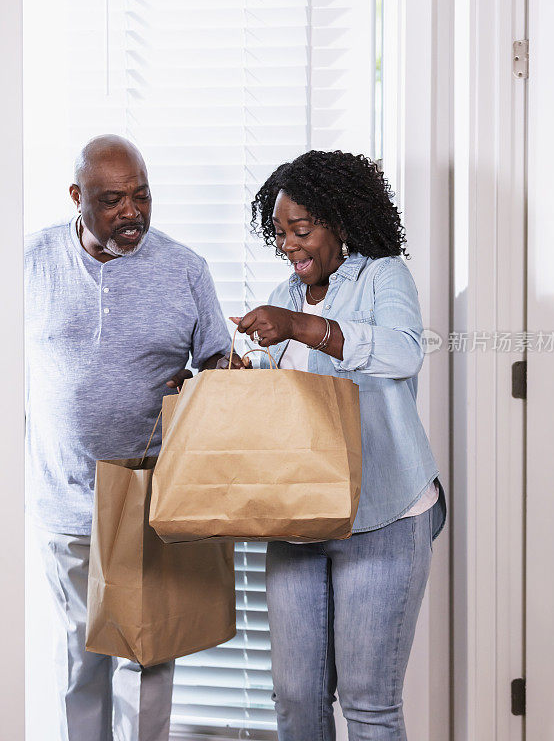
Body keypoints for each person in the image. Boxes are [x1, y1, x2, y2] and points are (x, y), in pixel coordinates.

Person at [25, 135, 243, 741]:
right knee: (82, 661)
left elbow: (219, 372)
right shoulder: (29, 263)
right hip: (63, 498)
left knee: (145, 658)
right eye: (113, 199)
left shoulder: (184, 269)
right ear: (77, 198)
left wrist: (207, 376)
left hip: (150, 500)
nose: (132, 212)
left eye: (142, 196)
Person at [232, 150, 446, 741]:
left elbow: (404, 351)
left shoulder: (383, 275)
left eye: (301, 231)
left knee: (368, 701)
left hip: (384, 512)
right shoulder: (285, 290)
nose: (290, 247)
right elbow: (283, 400)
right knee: (296, 699)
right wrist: (234, 377)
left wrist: (304, 328)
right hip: (300, 515)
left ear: (341, 222)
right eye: (280, 235)